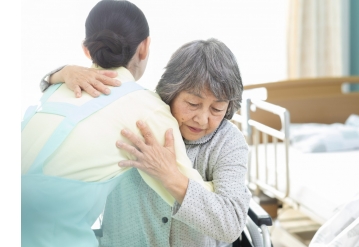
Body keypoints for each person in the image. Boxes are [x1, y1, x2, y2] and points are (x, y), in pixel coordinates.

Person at [21, 1, 215, 246]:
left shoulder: (59, 86)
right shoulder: (147, 108)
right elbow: (199, 205)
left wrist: (59, 72)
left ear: (86, 50)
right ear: (144, 47)